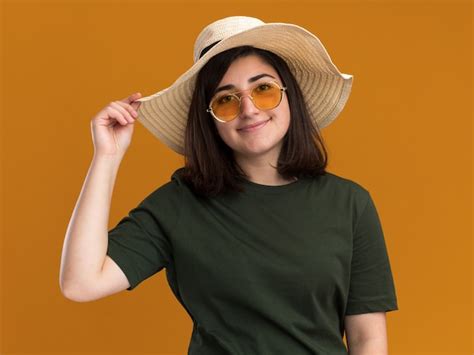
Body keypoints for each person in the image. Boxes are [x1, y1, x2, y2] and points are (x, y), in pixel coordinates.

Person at [60, 16, 398, 354]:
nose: (248, 109)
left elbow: (368, 338)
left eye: (263, 89)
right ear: (210, 118)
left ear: (289, 96)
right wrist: (107, 157)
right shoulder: (179, 204)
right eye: (226, 99)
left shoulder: (349, 204)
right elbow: (81, 282)